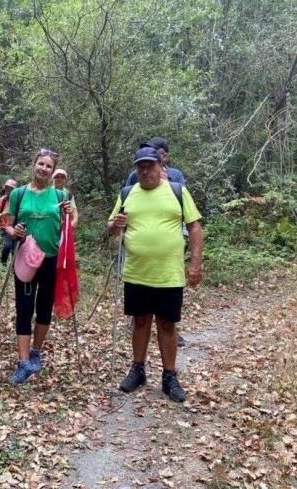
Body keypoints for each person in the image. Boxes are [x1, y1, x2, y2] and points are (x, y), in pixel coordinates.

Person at [107, 146, 203, 402]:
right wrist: (115, 226)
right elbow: (111, 228)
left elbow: (194, 227)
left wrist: (195, 263)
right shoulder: (127, 194)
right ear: (136, 169)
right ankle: (138, 369)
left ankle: (169, 375)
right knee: (139, 322)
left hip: (169, 273)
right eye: (141, 166)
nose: (145, 170)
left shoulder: (177, 191)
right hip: (136, 272)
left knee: (167, 324)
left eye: (150, 165)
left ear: (161, 166)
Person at [4, 149, 72, 385]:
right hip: (25, 257)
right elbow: (8, 225)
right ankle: (23, 363)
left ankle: (36, 352)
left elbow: (70, 224)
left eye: (48, 166)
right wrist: (15, 232)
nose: (43, 169)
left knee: (44, 307)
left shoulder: (61, 195)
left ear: (53, 172)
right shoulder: (19, 194)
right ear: (33, 165)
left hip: (50, 258)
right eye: (40, 164)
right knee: (24, 308)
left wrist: (68, 216)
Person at [125, 137, 188, 347]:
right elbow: (125, 202)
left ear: (164, 157)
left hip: (171, 247)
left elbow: (186, 214)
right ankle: (138, 362)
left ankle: (169, 370)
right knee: (140, 314)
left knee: (166, 318)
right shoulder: (133, 178)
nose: (145, 169)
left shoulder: (176, 176)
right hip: (137, 253)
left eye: (156, 154)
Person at [0, 179, 18, 264]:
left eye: (11, 188)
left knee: (15, 249)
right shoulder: (3, 199)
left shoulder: (18, 200)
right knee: (7, 246)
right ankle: (3, 263)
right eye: (7, 187)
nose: (8, 190)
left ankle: (13, 267)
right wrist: (2, 215)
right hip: (4, 227)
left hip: (16, 228)